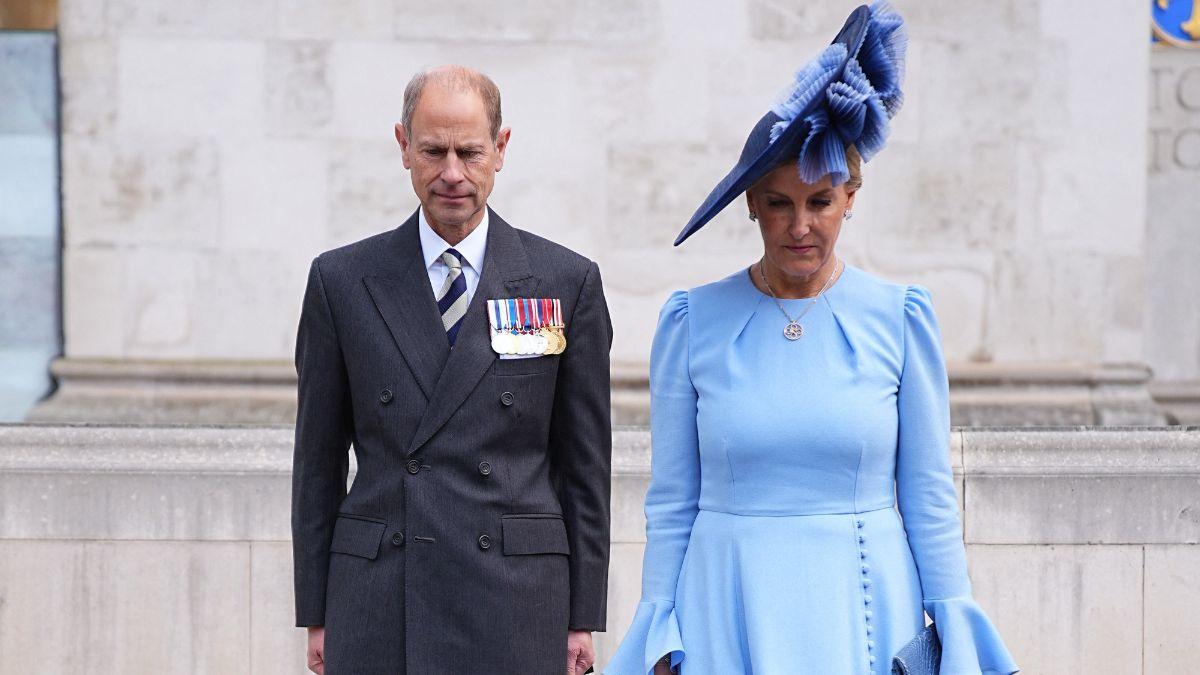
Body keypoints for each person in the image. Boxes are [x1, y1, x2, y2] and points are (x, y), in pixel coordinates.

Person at [605, 4, 1018, 674]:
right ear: (751, 204)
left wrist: (954, 615)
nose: (800, 224)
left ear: (850, 197)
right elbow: (673, 498)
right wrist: (659, 623)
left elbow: (928, 491)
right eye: (779, 203)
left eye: (820, 201)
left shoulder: (899, 316)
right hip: (724, 604)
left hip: (863, 604)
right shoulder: (692, 321)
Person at [292, 65, 612, 675]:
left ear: (501, 147)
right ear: (402, 146)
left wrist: (582, 616)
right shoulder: (341, 282)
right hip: (382, 593)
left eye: (469, 151)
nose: (452, 174)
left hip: (518, 598)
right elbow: (317, 461)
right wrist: (317, 611)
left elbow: (584, 466)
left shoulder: (566, 282)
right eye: (433, 151)